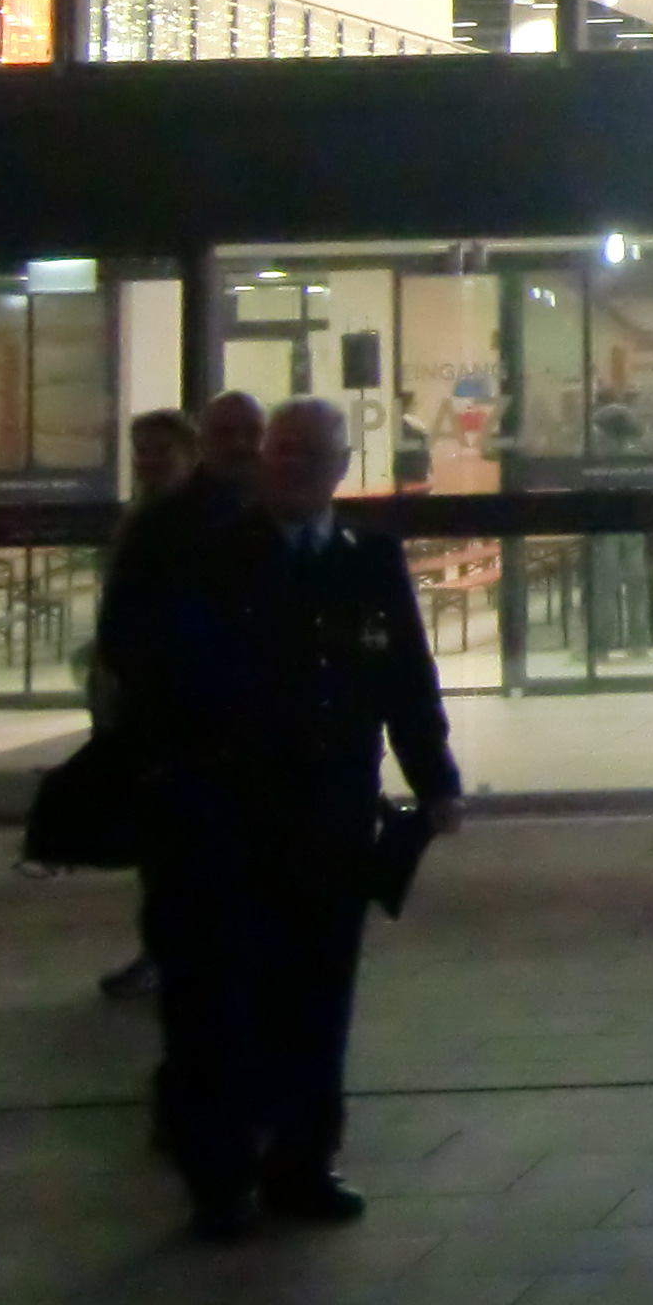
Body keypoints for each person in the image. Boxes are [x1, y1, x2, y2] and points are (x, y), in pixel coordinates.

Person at [148, 396, 459, 1238]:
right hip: (233, 817)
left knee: (318, 993)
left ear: (337, 468)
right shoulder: (210, 558)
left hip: (330, 816)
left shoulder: (367, 559)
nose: (291, 468)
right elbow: (171, 686)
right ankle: (221, 1176)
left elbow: (404, 675)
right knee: (229, 999)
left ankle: (303, 1161)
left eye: (310, 456)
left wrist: (434, 776)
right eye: (280, 452)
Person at [89, 405, 212, 1005]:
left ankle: (175, 954)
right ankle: (164, 950)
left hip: (176, 708)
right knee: (158, 846)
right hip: (142, 701)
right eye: (140, 451)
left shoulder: (192, 526)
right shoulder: (144, 519)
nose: (147, 462)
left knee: (175, 848)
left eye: (159, 450)